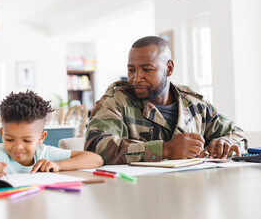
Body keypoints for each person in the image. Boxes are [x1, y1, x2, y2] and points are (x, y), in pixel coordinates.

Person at [85, 36, 247, 165]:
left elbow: (237, 133)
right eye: (131, 70)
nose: (136, 78)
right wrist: (164, 150)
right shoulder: (117, 100)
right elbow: (95, 146)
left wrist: (225, 141)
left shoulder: (194, 103)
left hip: (193, 192)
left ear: (169, 68)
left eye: (147, 69)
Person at [0, 90, 103, 177]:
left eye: (27, 140)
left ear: (41, 137)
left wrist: (57, 165)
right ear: (2, 134)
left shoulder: (44, 153)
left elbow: (96, 159)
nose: (17, 147)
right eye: (10, 139)